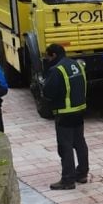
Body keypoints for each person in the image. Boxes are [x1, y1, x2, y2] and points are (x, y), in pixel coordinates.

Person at [41, 43, 89, 190]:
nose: (47, 59)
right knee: (79, 142)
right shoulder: (76, 64)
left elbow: (48, 93)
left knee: (65, 146)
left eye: (47, 56)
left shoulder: (56, 70)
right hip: (79, 110)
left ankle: (67, 180)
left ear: (53, 55)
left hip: (64, 112)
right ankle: (82, 173)